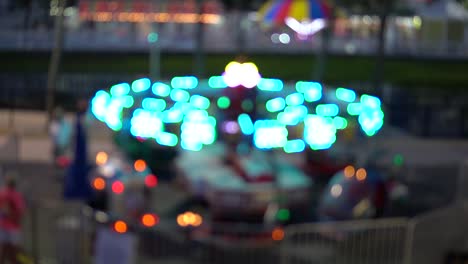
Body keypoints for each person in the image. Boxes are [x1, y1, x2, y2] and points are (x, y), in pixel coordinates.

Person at [0, 175, 25, 264]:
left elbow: (19, 211)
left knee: (5, 251)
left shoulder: (4, 194)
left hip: (6, 226)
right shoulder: (15, 195)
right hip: (11, 227)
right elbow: (20, 212)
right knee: (13, 252)